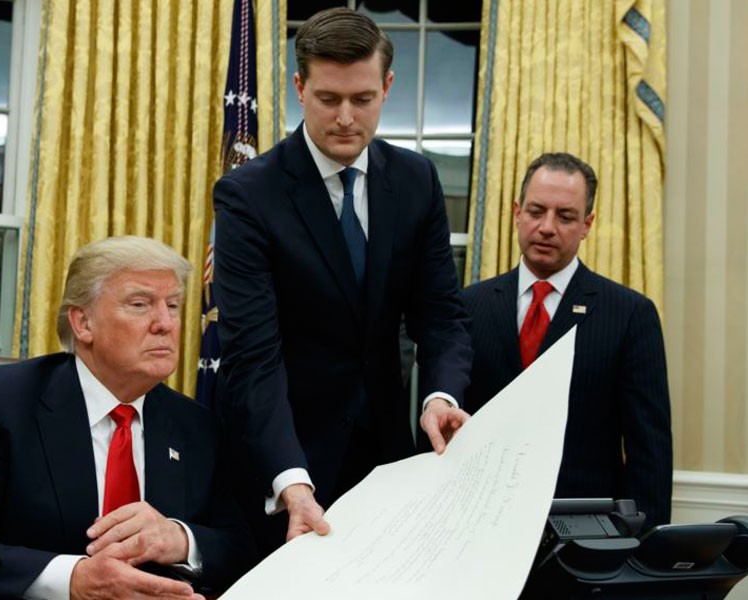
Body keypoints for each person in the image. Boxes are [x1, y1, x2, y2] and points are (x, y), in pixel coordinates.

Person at [213, 7, 473, 555]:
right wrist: (290, 480)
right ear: (299, 87)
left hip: (384, 458)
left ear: (388, 86)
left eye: (363, 99)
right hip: (281, 463)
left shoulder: (417, 180)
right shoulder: (247, 196)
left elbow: (441, 316)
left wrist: (439, 395)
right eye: (329, 99)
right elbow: (253, 358)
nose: (347, 119)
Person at [0, 236, 255, 599]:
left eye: (174, 305)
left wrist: (182, 539)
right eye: (140, 304)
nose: (165, 324)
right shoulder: (1, 405)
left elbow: (242, 550)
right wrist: (74, 579)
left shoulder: (196, 425)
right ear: (83, 322)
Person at [460, 152, 673, 530]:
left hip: (584, 539)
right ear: (516, 212)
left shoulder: (628, 314)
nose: (546, 227)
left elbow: (649, 452)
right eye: (536, 211)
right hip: (479, 527)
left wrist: (642, 555)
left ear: (587, 224)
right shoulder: (469, 306)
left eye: (565, 216)